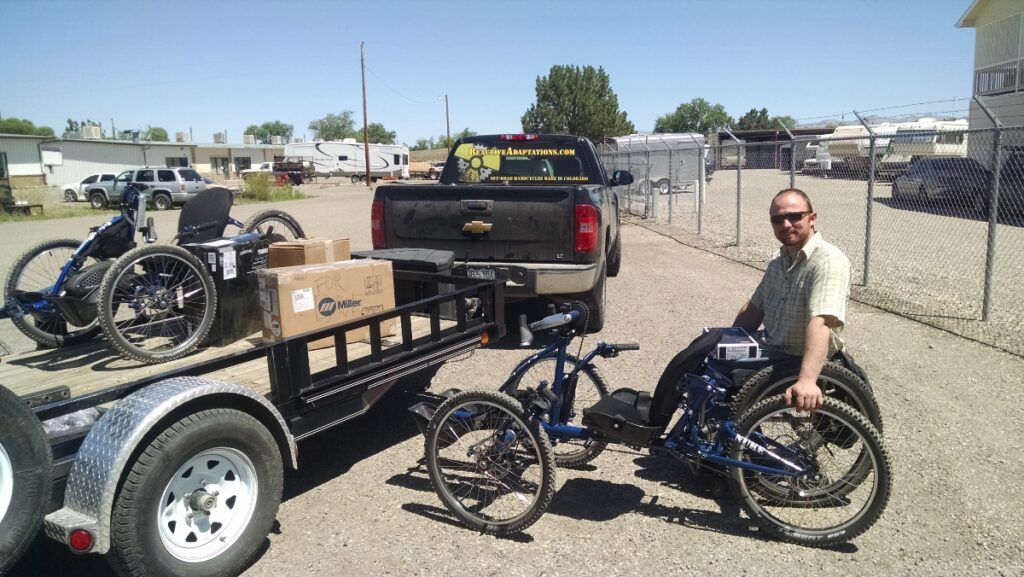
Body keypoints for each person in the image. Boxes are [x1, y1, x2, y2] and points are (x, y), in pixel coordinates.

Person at [732, 188, 852, 413]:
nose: (785, 224)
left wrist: (807, 380)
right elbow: (754, 308)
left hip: (793, 359)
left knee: (717, 385)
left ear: (812, 218)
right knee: (698, 359)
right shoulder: (779, 262)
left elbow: (822, 322)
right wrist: (725, 339)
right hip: (772, 347)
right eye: (778, 219)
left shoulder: (828, 262)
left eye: (794, 216)